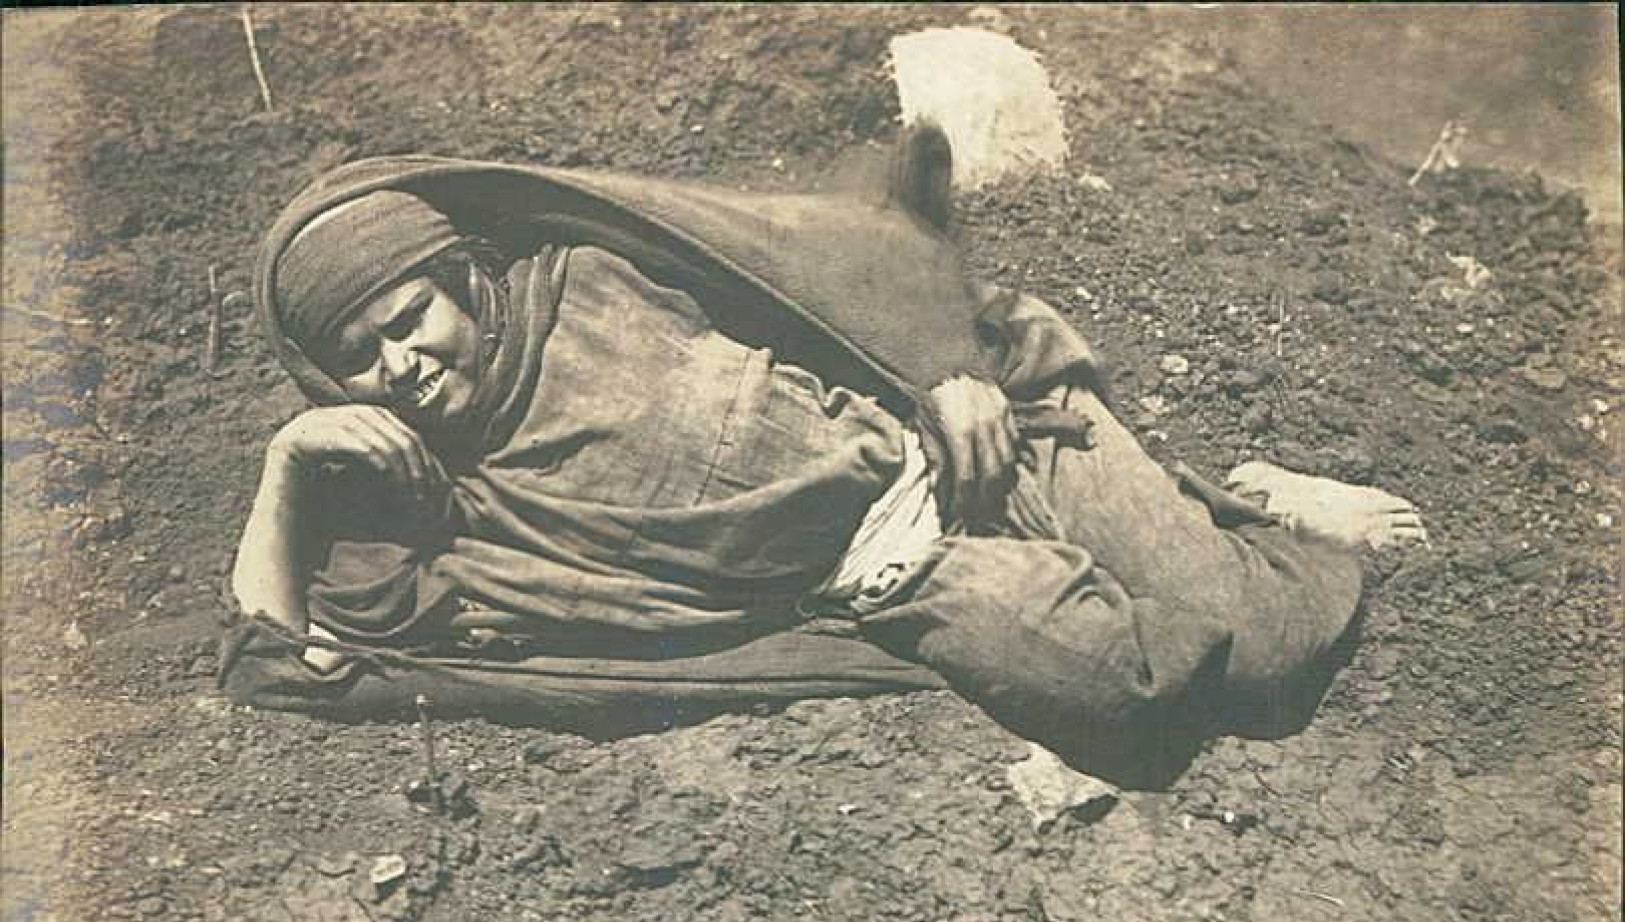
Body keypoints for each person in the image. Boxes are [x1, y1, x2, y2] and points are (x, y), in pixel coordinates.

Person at [223, 132, 1426, 770]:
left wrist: (941, 368)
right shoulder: (444, 499)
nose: (404, 360)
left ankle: (1264, 512)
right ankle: (1208, 526)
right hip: (906, 575)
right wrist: (289, 460)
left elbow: (824, 257)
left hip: (977, 449)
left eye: (409, 314)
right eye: (362, 353)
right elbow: (282, 660)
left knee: (1263, 644)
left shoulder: (589, 272)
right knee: (1152, 692)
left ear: (458, 279)